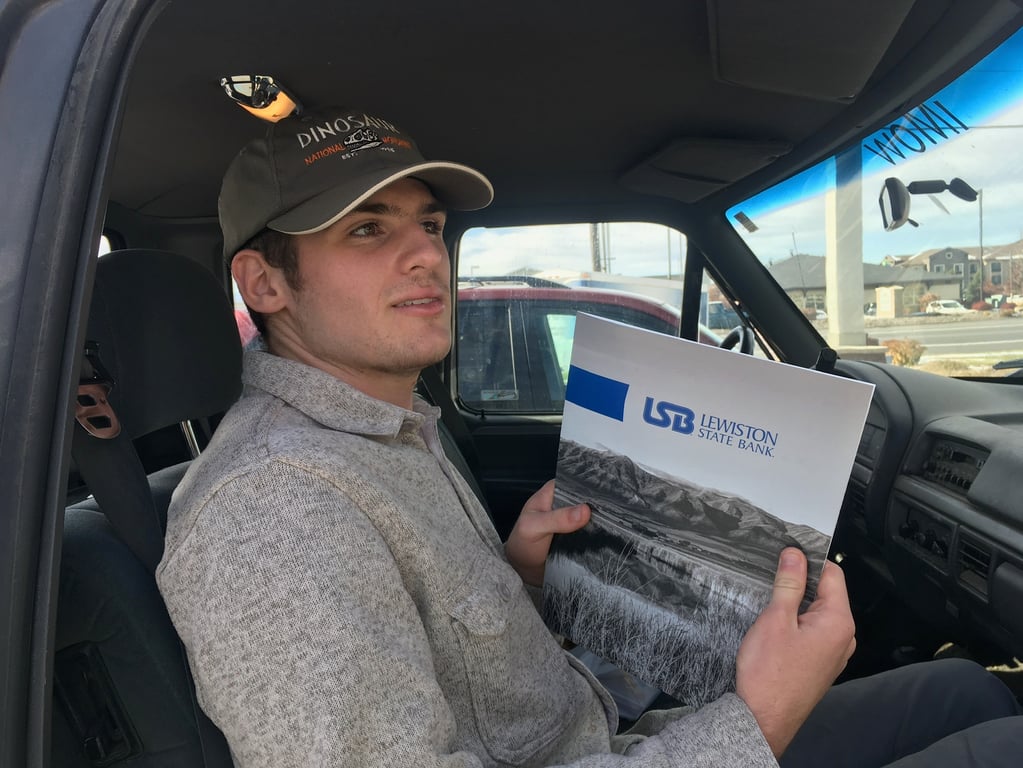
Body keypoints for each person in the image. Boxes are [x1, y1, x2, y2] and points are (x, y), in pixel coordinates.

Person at [156, 106, 1022, 768]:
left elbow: (455, 663)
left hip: (607, 730)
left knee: (963, 690)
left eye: (427, 224)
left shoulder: (389, 431)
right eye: (368, 230)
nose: (426, 254)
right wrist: (757, 718)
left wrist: (522, 572)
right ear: (264, 281)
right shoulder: (270, 514)